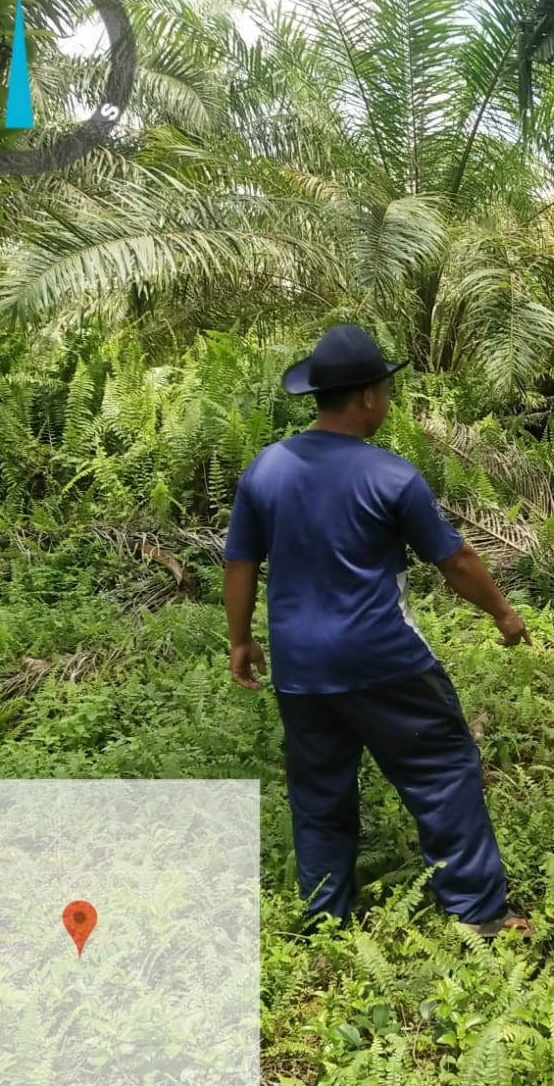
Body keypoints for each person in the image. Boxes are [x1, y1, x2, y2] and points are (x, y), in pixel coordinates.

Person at [222, 324, 531, 939]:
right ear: (367, 397)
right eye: (386, 390)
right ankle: (478, 915)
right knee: (443, 772)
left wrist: (240, 639)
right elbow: (456, 560)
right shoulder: (391, 476)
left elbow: (240, 564)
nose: (387, 401)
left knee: (318, 791)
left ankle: (325, 920)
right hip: (385, 660)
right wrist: (502, 612)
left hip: (300, 668)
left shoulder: (266, 469)